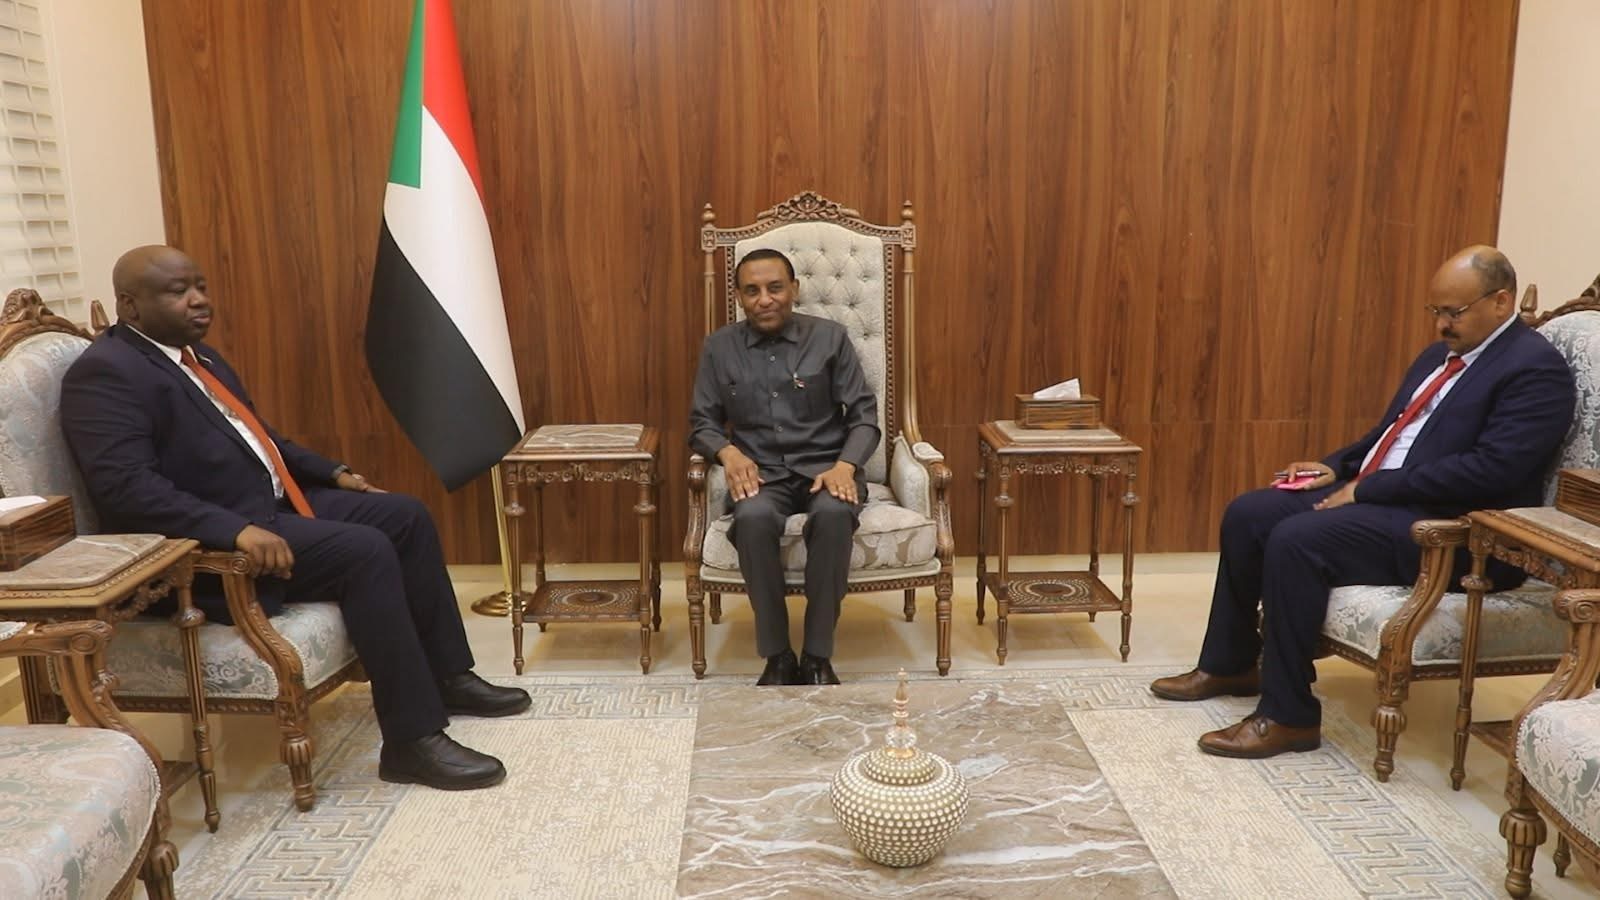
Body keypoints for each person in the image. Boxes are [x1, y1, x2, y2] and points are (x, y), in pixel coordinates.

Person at [59, 245, 530, 791]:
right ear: (130, 305)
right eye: (177, 291)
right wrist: (233, 530)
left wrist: (333, 472)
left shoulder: (198, 356)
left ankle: (447, 676)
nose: (199, 300)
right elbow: (126, 490)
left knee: (405, 515)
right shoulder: (106, 373)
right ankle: (411, 740)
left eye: (201, 286)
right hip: (209, 540)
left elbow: (260, 439)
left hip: (266, 503)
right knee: (365, 550)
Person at [1150, 245, 1576, 758]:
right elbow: (1390, 435)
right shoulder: (1441, 356)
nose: (1440, 324)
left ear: (1501, 301)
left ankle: (1288, 716)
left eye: (1453, 312)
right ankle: (1231, 663)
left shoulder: (1535, 370)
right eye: (1435, 310)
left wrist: (1368, 488)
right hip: (1393, 502)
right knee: (1250, 513)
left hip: (1458, 531)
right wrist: (1337, 467)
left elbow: (1491, 470)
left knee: (1297, 539)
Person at [689, 248, 880, 686]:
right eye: (752, 290)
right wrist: (729, 453)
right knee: (753, 519)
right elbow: (702, 423)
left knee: (834, 515)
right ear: (739, 296)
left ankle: (817, 656)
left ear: (794, 288)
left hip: (825, 471)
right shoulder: (719, 347)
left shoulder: (830, 338)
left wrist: (846, 465)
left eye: (775, 288)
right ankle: (777, 656)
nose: (765, 299)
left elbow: (864, 416)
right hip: (761, 475)